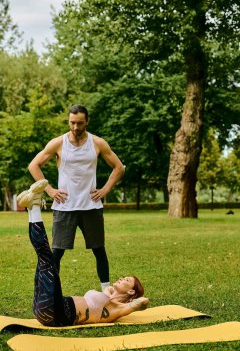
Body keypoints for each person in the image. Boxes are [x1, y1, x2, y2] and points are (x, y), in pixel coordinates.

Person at [17, 180, 149, 327]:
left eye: (126, 280)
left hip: (58, 312)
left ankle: (34, 206)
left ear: (131, 292)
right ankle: (32, 207)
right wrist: (111, 293)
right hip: (46, 309)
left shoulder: (118, 309)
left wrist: (123, 300)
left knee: (46, 257)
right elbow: (107, 295)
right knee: (43, 261)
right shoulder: (109, 297)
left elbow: (144, 301)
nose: (121, 278)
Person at [28, 104, 125, 291]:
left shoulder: (97, 143)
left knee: (99, 250)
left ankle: (107, 291)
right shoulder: (58, 143)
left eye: (80, 123)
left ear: (87, 121)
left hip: (91, 206)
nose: (75, 127)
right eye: (72, 123)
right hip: (65, 206)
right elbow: (34, 165)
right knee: (57, 252)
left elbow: (119, 167)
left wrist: (105, 190)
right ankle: (50, 291)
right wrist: (49, 190)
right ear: (68, 121)